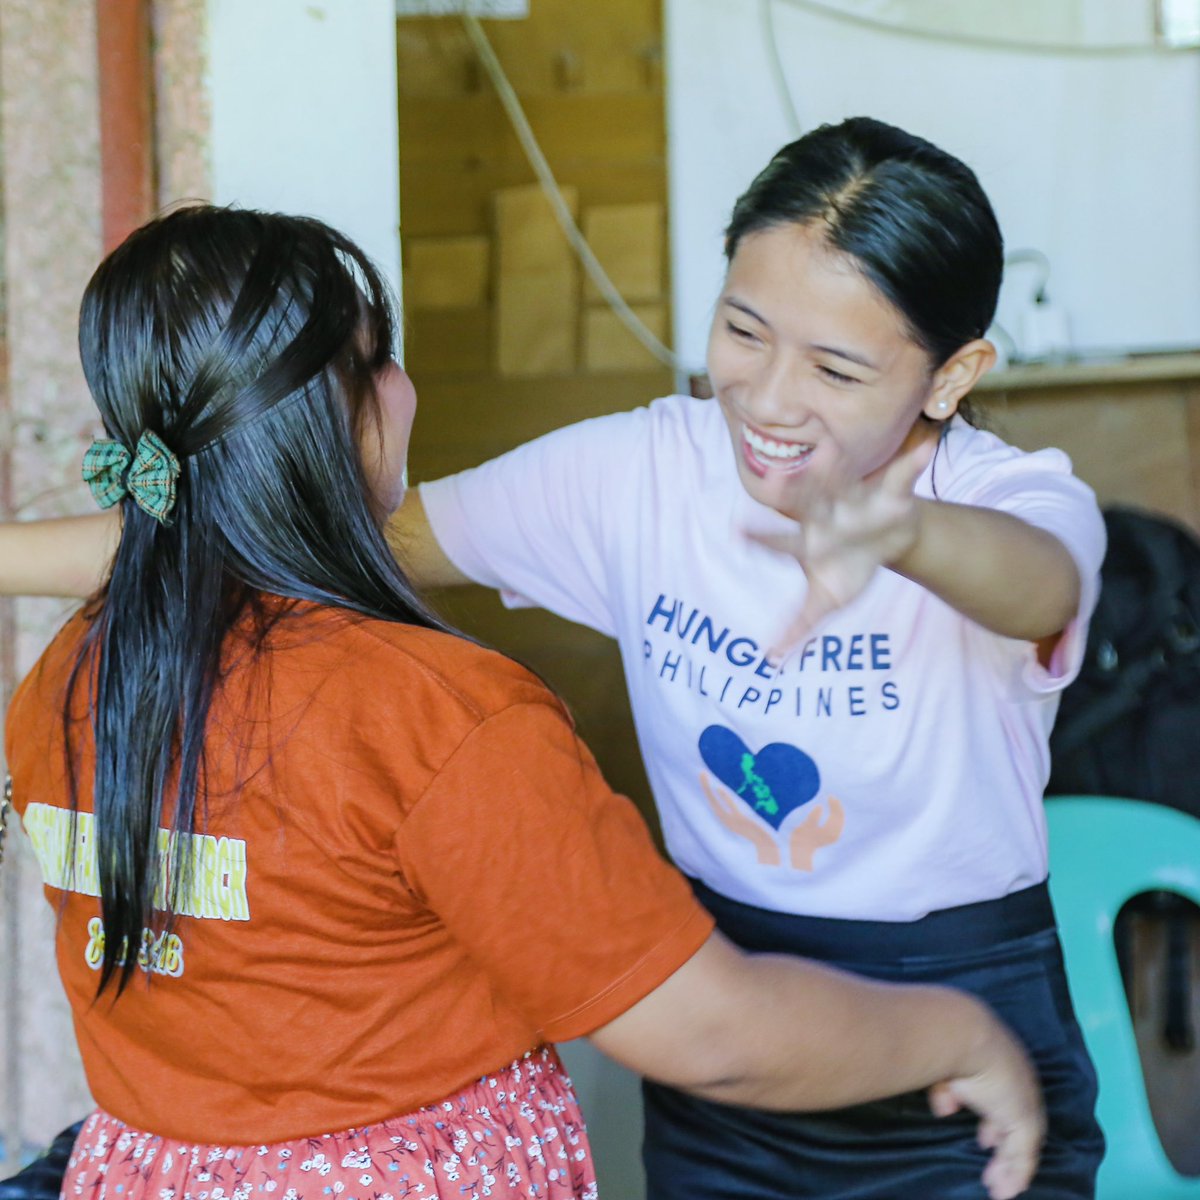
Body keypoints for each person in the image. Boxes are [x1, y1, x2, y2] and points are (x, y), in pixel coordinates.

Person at [0, 205, 1044, 1200]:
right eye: (382, 361)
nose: (406, 388)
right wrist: (965, 1035)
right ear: (341, 414)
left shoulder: (67, 680)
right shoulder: (436, 719)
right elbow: (708, 1034)